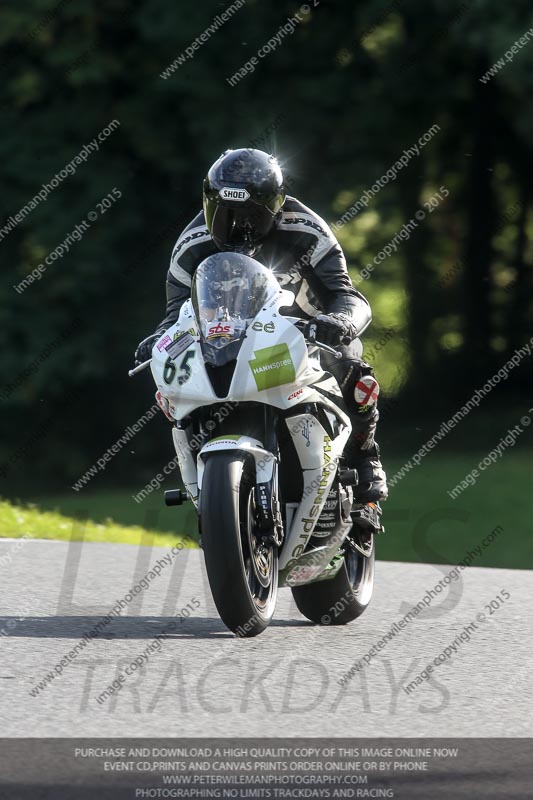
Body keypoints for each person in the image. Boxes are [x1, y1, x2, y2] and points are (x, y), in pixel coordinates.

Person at [135, 148, 387, 504]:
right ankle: (207, 481)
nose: (237, 226)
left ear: (276, 207)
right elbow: (177, 313)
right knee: (174, 383)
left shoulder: (307, 231)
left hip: (306, 329)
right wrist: (160, 338)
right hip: (228, 338)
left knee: (354, 368)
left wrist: (339, 322)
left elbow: (344, 293)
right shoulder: (190, 247)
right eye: (223, 215)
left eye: (251, 216)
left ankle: (366, 455)